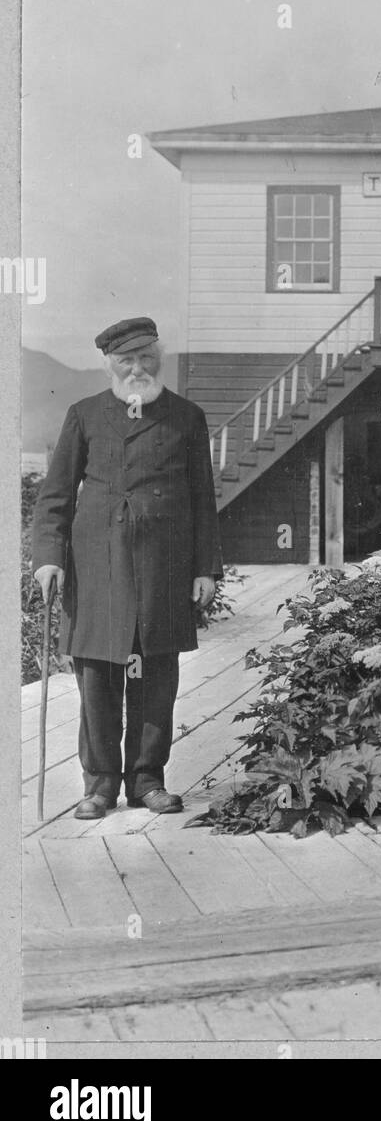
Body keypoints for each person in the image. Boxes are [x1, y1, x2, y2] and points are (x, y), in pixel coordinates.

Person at [31, 316, 223, 819]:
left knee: (155, 673)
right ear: (109, 364)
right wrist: (49, 558)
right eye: (126, 360)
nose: (137, 368)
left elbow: (203, 499)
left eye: (145, 358)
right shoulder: (85, 415)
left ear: (157, 358)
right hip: (97, 567)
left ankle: (146, 780)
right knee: (96, 674)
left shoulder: (186, 417)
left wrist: (205, 568)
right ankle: (99, 784)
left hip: (163, 566)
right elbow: (54, 497)